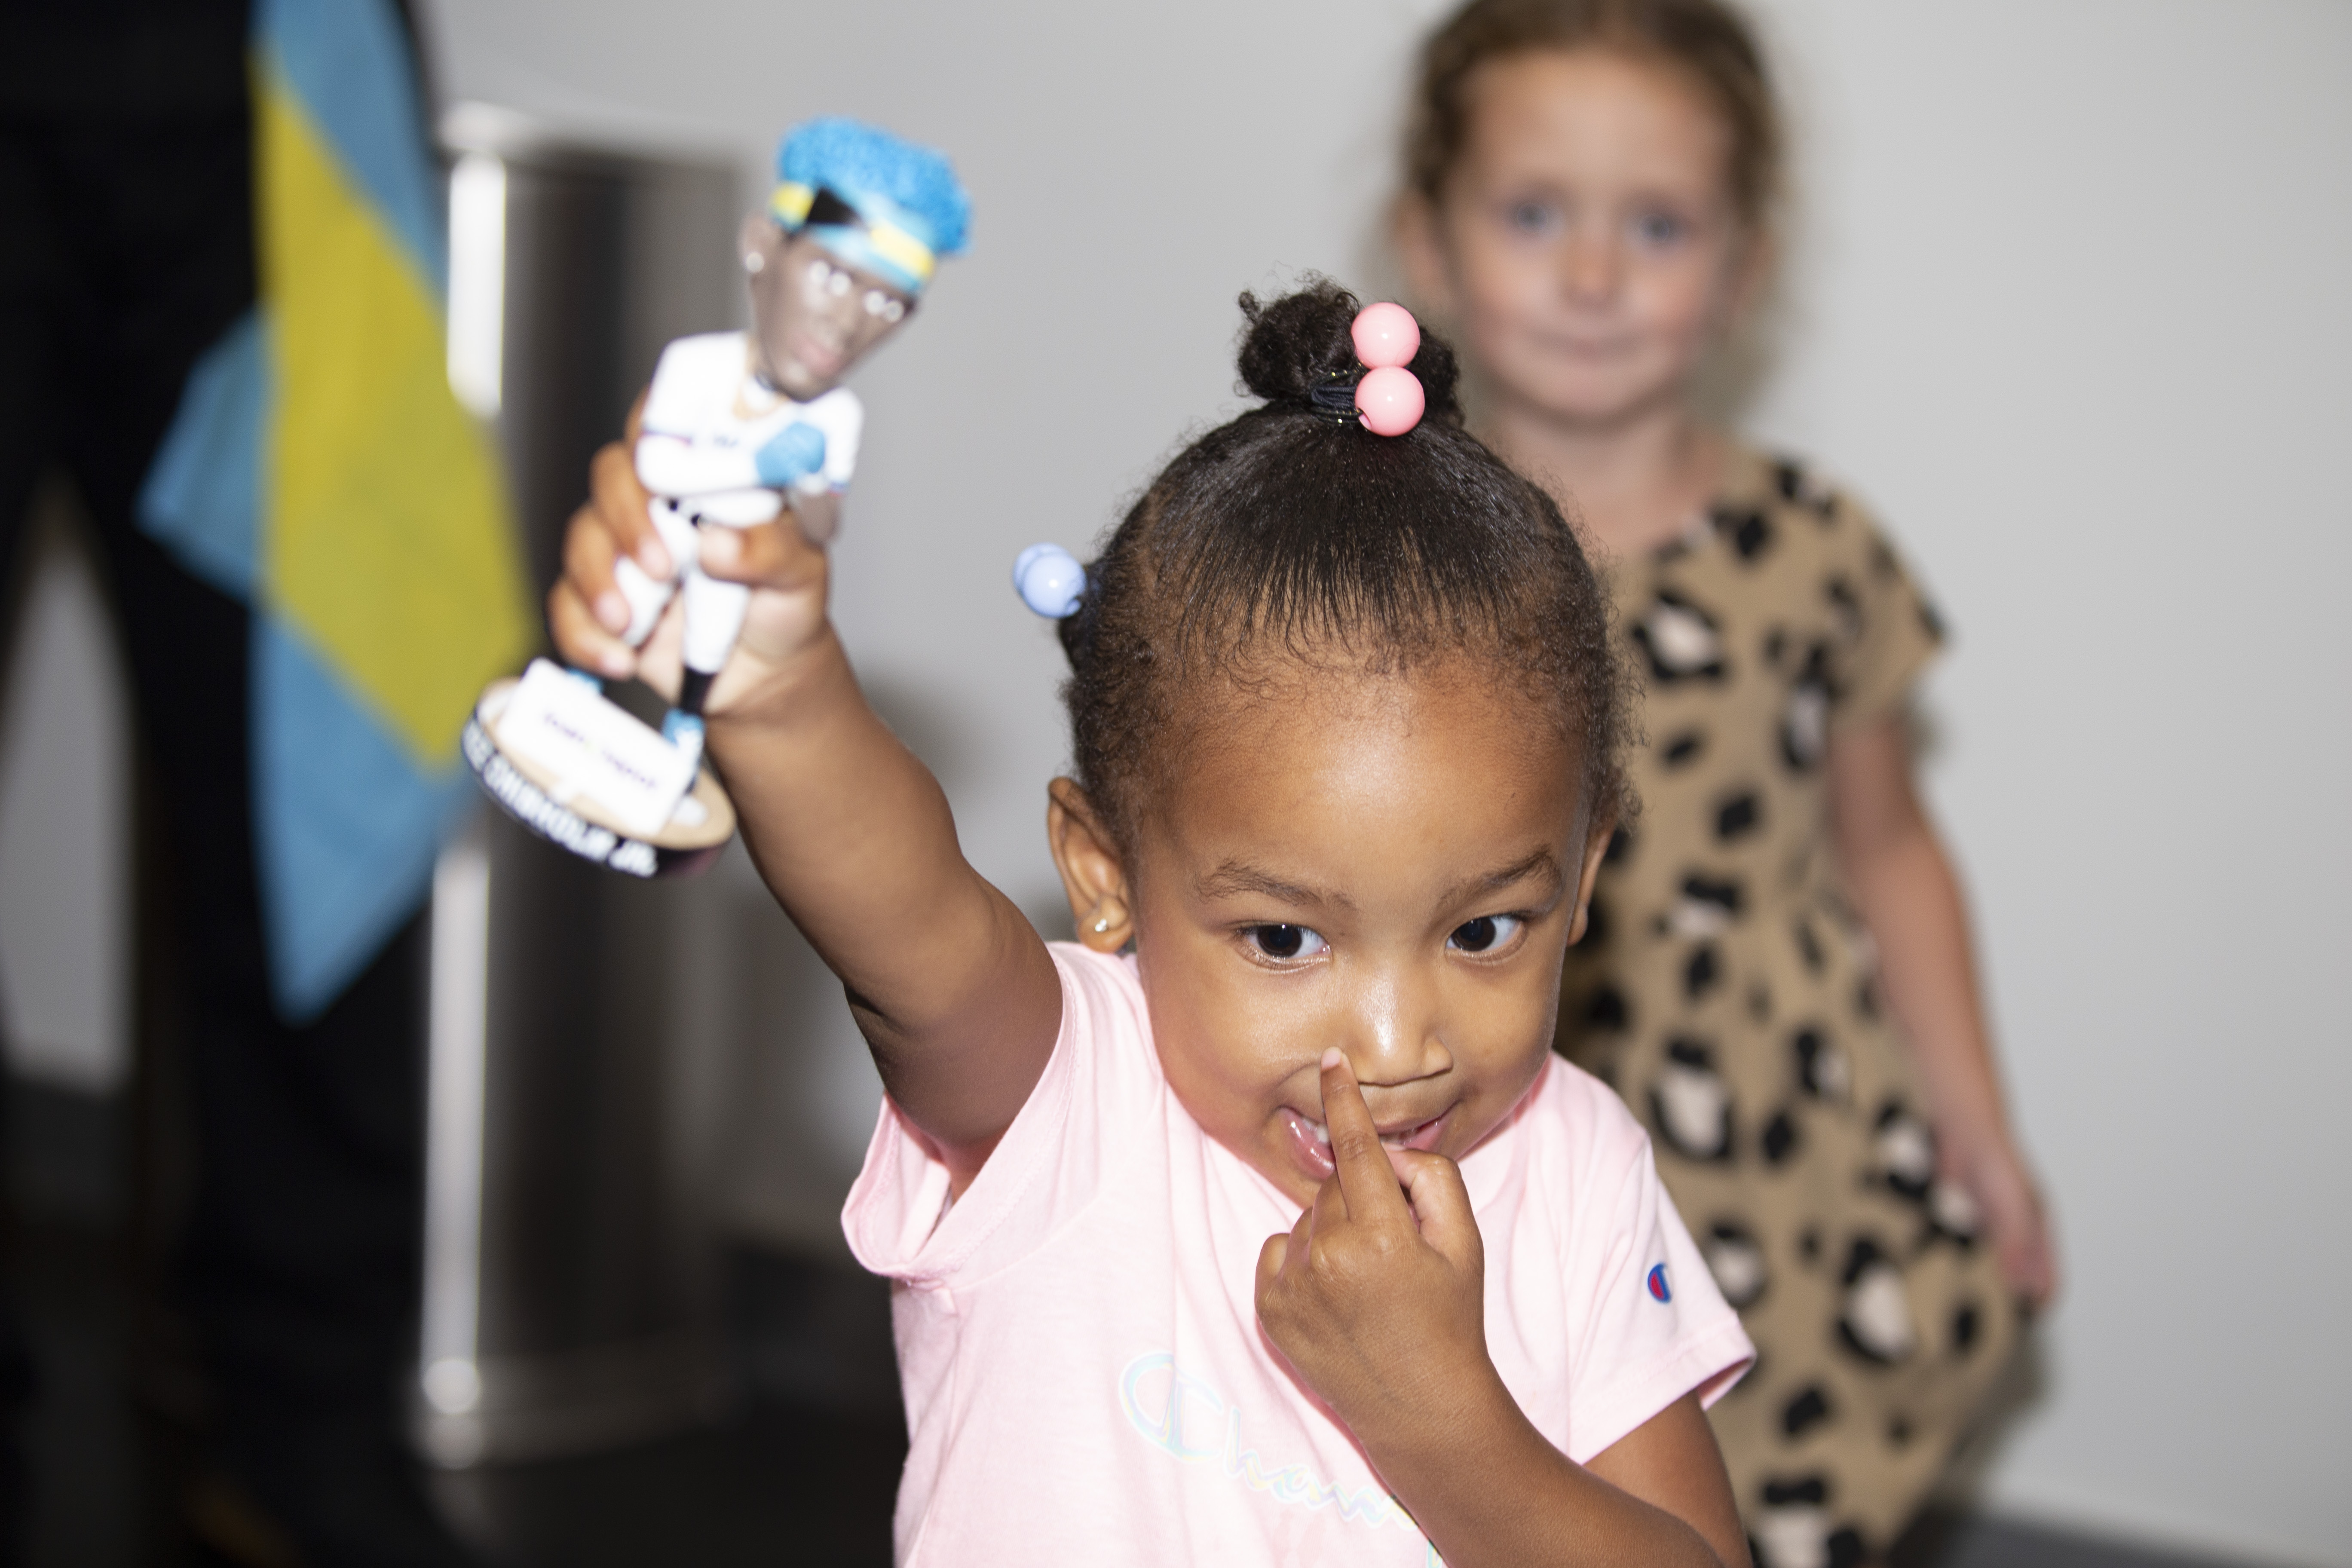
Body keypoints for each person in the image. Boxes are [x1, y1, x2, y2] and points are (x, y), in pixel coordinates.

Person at [551, 280, 1758, 1565]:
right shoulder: (1073, 1098)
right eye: (1286, 940)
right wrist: (773, 686)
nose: (1400, 1045)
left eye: (1483, 932)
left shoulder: (1576, 1166)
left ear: (1584, 878)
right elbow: (909, 932)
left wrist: (1445, 1424)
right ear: (1104, 872)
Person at [1390, 2, 2057, 1562]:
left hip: (1781, 1145)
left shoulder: (1816, 553)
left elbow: (1890, 849)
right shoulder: (1390, 547)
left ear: (1746, 266)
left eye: (1661, 224)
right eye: (1536, 211)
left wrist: (1980, 1121)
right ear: (1428, 237)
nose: (1595, 273)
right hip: (1487, 1109)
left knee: (1749, 1493)